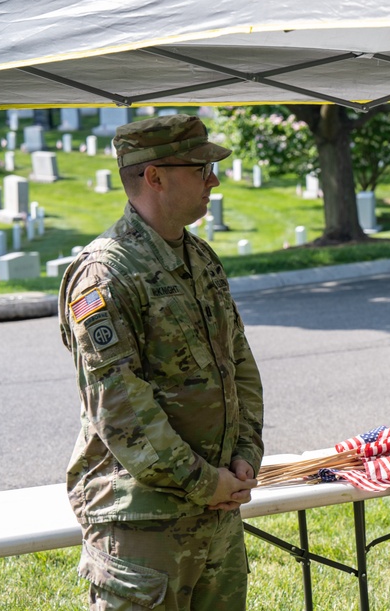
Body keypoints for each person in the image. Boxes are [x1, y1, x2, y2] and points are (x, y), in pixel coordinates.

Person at [58, 114, 264, 610]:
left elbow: (238, 364)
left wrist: (244, 454)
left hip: (215, 515)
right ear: (155, 177)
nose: (214, 180)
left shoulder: (201, 258)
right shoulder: (104, 276)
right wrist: (204, 482)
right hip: (143, 528)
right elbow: (123, 409)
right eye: (200, 168)